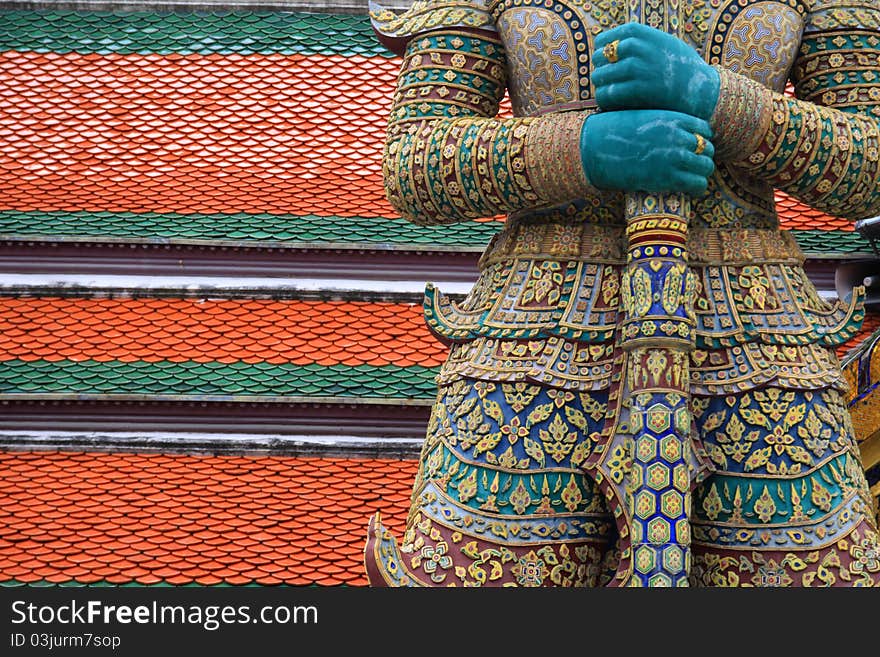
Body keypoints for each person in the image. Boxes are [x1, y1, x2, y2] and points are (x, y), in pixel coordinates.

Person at [363, 0, 880, 586]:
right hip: (532, 343)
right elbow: (415, 163)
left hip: (760, 344)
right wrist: (584, 147)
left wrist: (716, 97)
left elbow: (872, 166)